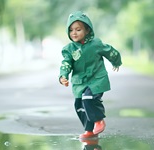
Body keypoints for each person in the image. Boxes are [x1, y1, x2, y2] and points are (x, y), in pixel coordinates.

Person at [59, 11, 122, 139]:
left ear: (87, 30)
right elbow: (66, 63)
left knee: (88, 98)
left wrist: (116, 61)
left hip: (97, 79)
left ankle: (99, 120)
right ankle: (89, 130)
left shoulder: (95, 44)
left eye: (78, 29)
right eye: (71, 30)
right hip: (80, 82)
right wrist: (63, 76)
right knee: (79, 105)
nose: (74, 33)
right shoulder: (69, 49)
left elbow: (109, 50)